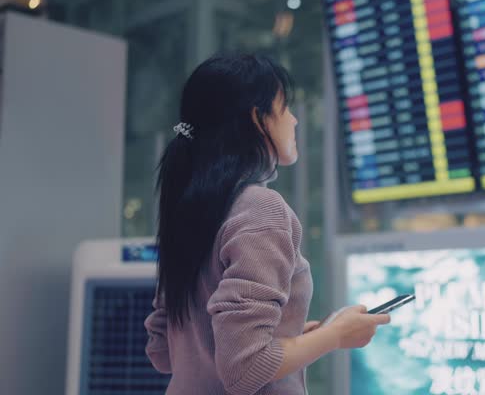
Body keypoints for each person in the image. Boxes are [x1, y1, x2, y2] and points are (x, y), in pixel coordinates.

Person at [144, 53, 390, 395]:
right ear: (259, 120)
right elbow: (245, 370)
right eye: (285, 107)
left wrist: (294, 337)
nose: (294, 120)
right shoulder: (261, 208)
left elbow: (163, 353)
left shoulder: (189, 209)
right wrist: (335, 336)